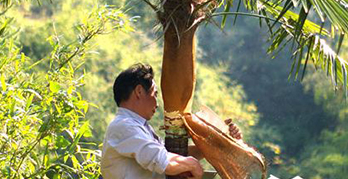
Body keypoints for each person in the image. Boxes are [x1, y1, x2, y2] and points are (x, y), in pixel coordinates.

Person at [101, 64, 243, 179]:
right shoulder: (124, 126)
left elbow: (172, 155)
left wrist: (220, 140)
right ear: (139, 92)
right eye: (155, 94)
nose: (157, 103)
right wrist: (193, 165)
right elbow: (163, 161)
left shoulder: (138, 127)